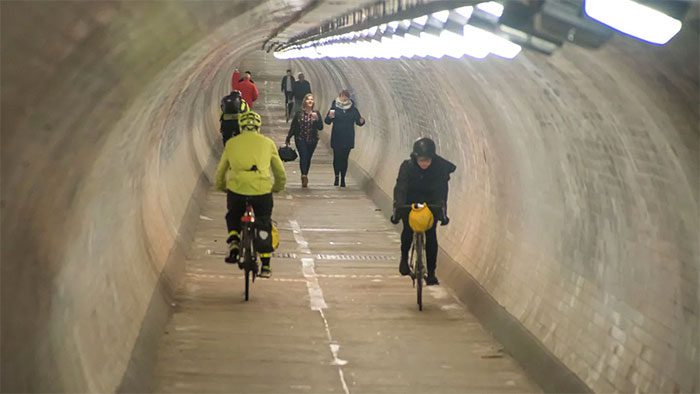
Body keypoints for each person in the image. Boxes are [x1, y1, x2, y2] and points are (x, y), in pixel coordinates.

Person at [215, 110, 287, 278]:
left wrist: (222, 186)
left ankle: (233, 241)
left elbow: (221, 171)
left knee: (233, 215)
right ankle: (266, 266)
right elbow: (279, 171)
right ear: (258, 126)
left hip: (237, 189)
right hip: (261, 190)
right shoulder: (268, 143)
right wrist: (277, 187)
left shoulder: (231, 143)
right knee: (263, 221)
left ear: (241, 126)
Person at [390, 137, 456, 286]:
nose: (424, 163)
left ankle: (431, 272)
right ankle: (404, 259)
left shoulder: (439, 168)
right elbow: (401, 187)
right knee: (408, 229)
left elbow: (442, 190)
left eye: (427, 160)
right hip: (410, 201)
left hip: (430, 202)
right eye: (421, 160)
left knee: (431, 234)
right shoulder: (407, 167)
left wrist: (442, 211)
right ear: (415, 157)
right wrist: (398, 208)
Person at [324, 90, 365, 187]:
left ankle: (343, 178)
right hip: (337, 136)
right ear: (340, 96)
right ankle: (336, 176)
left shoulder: (353, 109)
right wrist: (329, 117)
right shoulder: (334, 108)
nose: (345, 98)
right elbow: (327, 121)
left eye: (347, 96)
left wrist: (362, 121)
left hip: (348, 137)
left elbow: (358, 121)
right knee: (337, 157)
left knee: (344, 158)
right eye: (343, 96)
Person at [285, 93, 323, 188]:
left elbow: (320, 127)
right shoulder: (299, 113)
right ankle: (304, 175)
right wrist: (288, 137)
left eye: (311, 99)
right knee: (304, 155)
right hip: (300, 138)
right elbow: (293, 126)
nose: (310, 101)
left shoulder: (316, 113)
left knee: (308, 158)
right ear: (304, 102)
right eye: (308, 99)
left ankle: (305, 173)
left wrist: (317, 119)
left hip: (312, 140)